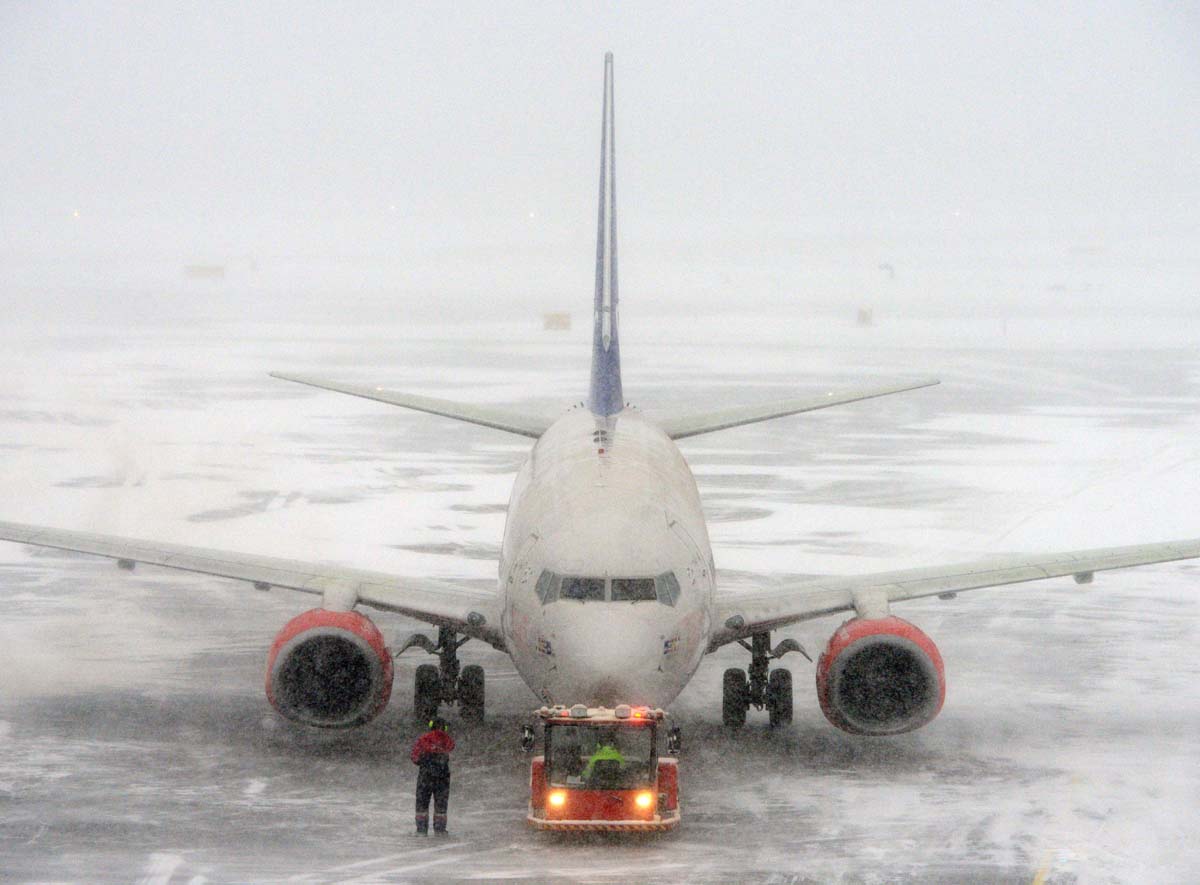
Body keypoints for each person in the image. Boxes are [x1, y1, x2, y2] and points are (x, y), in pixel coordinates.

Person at [410, 717, 455, 835]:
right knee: (441, 803)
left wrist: (424, 760)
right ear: (444, 727)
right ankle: (440, 829)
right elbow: (451, 746)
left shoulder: (423, 739)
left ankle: (421, 829)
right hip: (442, 776)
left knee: (422, 802)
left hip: (426, 775)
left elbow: (415, 757)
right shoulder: (447, 739)